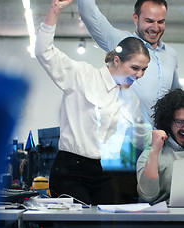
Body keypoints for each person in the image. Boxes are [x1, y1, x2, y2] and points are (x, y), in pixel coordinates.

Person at [35, 0, 150, 204]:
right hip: (70, 169)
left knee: (113, 223)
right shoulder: (82, 75)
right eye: (135, 68)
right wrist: (55, 10)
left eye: (144, 70)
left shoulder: (131, 99)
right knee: (78, 227)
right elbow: (44, 52)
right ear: (116, 61)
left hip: (103, 170)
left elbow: (138, 140)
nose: (139, 75)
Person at [78, 0, 182, 126]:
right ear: (135, 18)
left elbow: (176, 94)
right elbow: (89, 14)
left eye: (160, 22)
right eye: (149, 21)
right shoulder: (121, 42)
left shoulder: (171, 54)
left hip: (161, 140)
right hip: (127, 138)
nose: (155, 28)